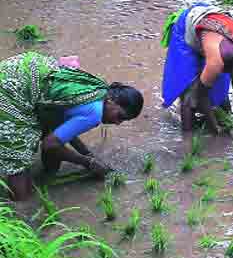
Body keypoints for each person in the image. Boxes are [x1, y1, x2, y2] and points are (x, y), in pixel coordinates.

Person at [0, 52, 143, 201]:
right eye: (120, 116)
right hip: (10, 92)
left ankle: (45, 177)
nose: (117, 123)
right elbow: (49, 145)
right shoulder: (95, 113)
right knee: (18, 162)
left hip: (19, 71)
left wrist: (88, 154)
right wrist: (87, 163)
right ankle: (20, 209)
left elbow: (62, 128)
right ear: (112, 100)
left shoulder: (98, 89)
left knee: (48, 131)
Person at [161, 2, 233, 133]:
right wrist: (214, 128)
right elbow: (202, 94)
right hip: (189, 25)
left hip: (213, 29)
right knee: (190, 95)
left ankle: (213, 119)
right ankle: (186, 140)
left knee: (220, 93)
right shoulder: (216, 62)